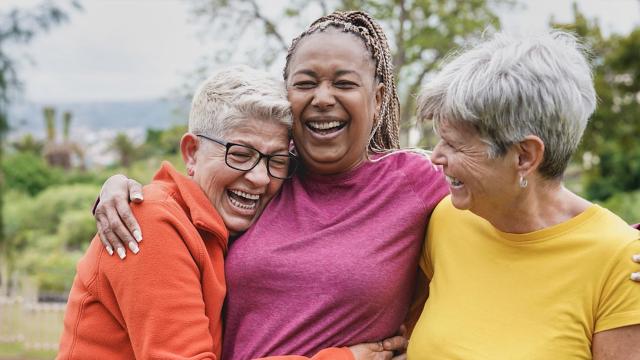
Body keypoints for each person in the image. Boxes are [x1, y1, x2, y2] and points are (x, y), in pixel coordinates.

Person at [92, 11, 448, 359]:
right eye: (306, 83)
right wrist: (122, 189)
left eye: (344, 83)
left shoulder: (415, 180)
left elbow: (495, 196)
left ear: (378, 99)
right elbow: (187, 201)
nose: (323, 98)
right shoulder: (269, 178)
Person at [57, 65, 403, 360]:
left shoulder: (222, 224)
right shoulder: (151, 224)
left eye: (276, 161)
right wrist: (345, 357)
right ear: (191, 152)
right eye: (239, 154)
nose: (258, 177)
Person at [407, 31, 640, 358]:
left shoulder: (622, 262)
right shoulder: (446, 219)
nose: (436, 156)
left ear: (524, 156)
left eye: (456, 144)